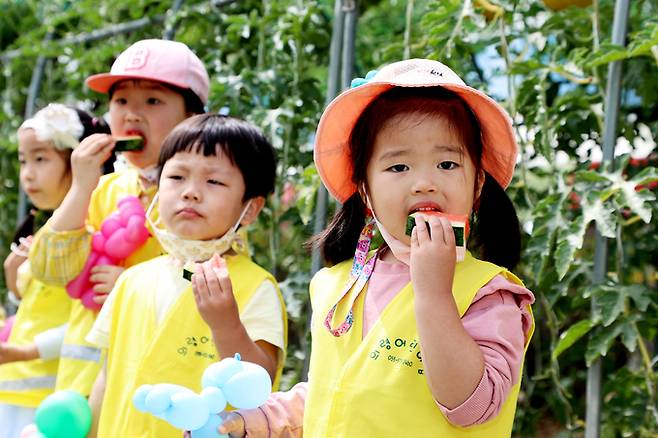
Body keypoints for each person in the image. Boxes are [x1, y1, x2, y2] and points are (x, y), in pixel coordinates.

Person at [218, 59, 535, 437]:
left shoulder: (490, 293)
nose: (424, 183)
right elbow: (334, 391)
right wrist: (253, 422)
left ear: (478, 185)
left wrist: (434, 294)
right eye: (399, 167)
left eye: (447, 163)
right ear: (365, 189)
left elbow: (472, 406)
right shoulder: (336, 284)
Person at [27, 39, 209, 399]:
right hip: (78, 388)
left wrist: (132, 284)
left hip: (151, 387)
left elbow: (218, 278)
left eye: (152, 101)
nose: (131, 115)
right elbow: (49, 269)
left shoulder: (205, 199)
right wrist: (80, 187)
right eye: (121, 101)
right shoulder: (102, 189)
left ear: (192, 119)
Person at [86, 114, 287, 438]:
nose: (191, 192)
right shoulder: (132, 281)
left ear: (249, 208)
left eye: (214, 182)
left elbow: (260, 382)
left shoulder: (254, 287)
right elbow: (107, 380)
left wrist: (226, 324)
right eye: (177, 177)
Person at [0, 104, 110, 438]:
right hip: (16, 387)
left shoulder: (94, 230)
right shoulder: (49, 232)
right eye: (23, 160)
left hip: (55, 400)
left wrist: (23, 352)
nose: (27, 173)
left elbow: (86, 319)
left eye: (40, 159)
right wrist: (13, 279)